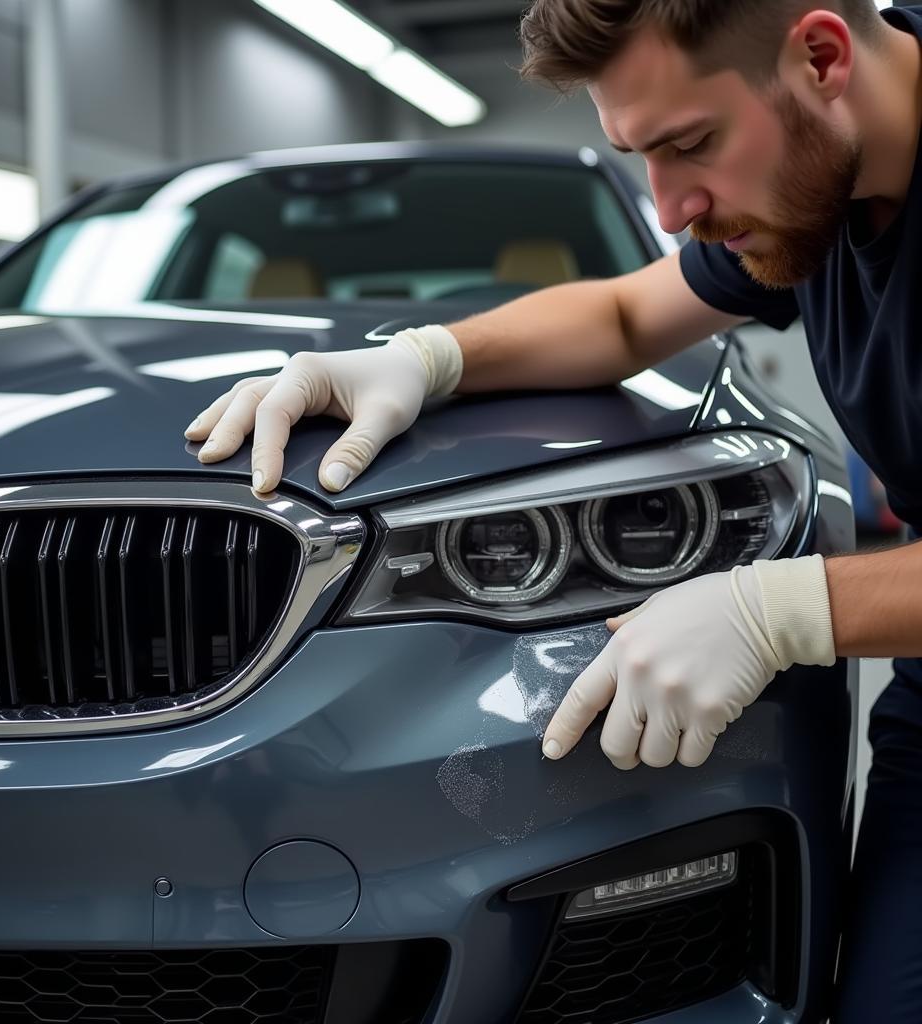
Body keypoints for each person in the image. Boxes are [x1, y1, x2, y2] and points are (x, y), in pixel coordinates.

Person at [184, 3, 922, 1017]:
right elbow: (625, 313)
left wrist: (782, 608)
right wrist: (425, 359)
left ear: (823, 56)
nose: (670, 207)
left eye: (691, 144)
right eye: (639, 156)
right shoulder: (820, 186)